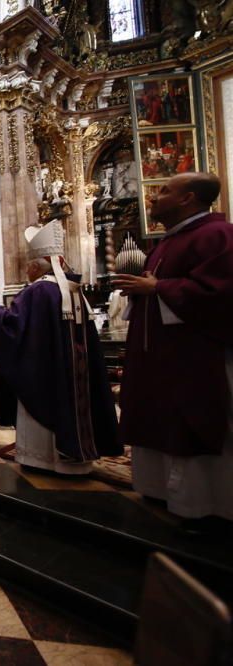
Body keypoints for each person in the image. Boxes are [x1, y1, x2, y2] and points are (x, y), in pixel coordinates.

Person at [114, 172, 233, 524]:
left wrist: (158, 289)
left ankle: (203, 506)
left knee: (189, 422)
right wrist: (144, 291)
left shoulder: (218, 236)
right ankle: (160, 491)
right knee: (158, 418)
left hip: (193, 360)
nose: (154, 196)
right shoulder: (165, 243)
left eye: (164, 190)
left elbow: (222, 294)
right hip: (160, 358)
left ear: (189, 198)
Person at [0, 220, 121, 474]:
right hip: (73, 370)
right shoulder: (73, 289)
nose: (26, 271)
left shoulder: (37, 291)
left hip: (43, 372)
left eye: (27, 267)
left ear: (35, 266)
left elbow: (12, 328)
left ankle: (42, 460)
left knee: (43, 405)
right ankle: (76, 455)